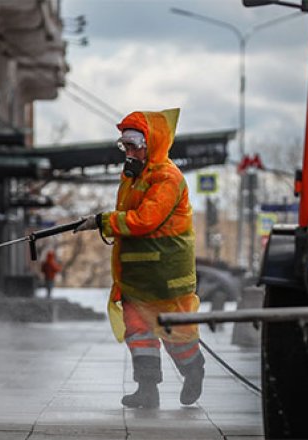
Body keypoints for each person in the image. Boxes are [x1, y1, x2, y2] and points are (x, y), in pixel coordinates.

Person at [75, 108, 204, 409]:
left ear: (152, 143)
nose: (128, 153)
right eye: (125, 146)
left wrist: (104, 221)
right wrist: (102, 221)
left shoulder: (167, 178)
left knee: (176, 332)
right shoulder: (134, 178)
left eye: (134, 146)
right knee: (138, 331)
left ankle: (194, 369)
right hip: (137, 277)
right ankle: (147, 389)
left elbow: (145, 220)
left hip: (166, 276)